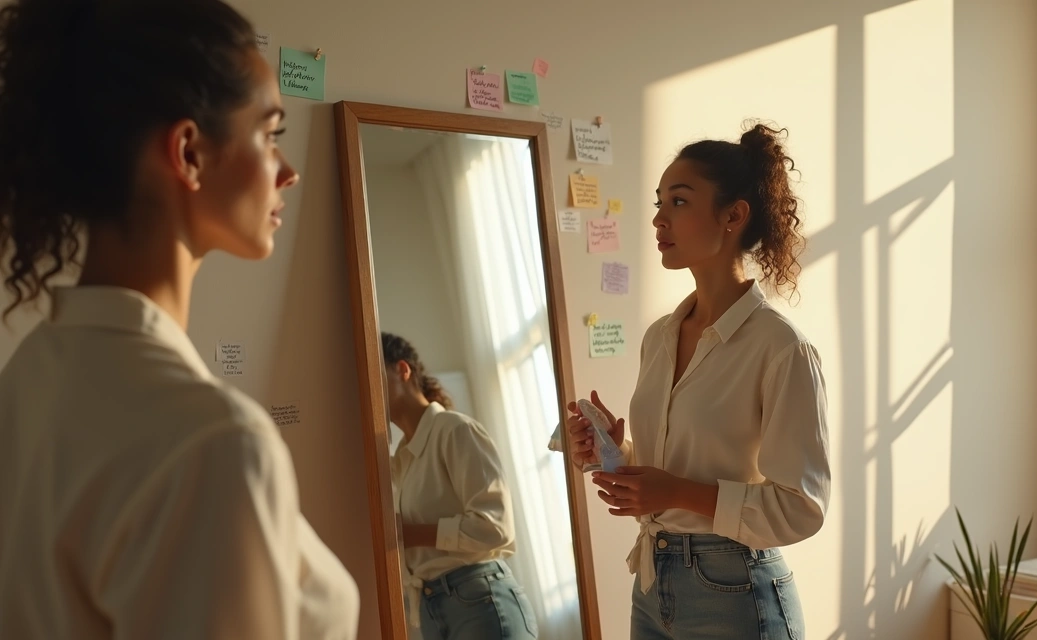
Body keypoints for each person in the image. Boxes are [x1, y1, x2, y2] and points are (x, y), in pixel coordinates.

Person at [0, 1, 359, 638]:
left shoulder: (30, 374)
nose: (290, 171)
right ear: (189, 152)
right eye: (271, 133)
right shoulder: (214, 445)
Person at [565, 123, 831, 639]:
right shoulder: (659, 337)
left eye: (679, 202)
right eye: (659, 202)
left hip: (735, 588)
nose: (659, 219)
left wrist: (678, 491)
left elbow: (801, 508)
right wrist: (614, 450)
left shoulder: (781, 348)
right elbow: (681, 467)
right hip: (652, 582)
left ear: (733, 215)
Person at [381, 332, 538, 640]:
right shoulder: (402, 458)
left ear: (402, 370)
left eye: (375, 375)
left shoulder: (454, 429)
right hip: (431, 607)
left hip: (479, 600)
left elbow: (496, 527)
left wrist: (411, 534)